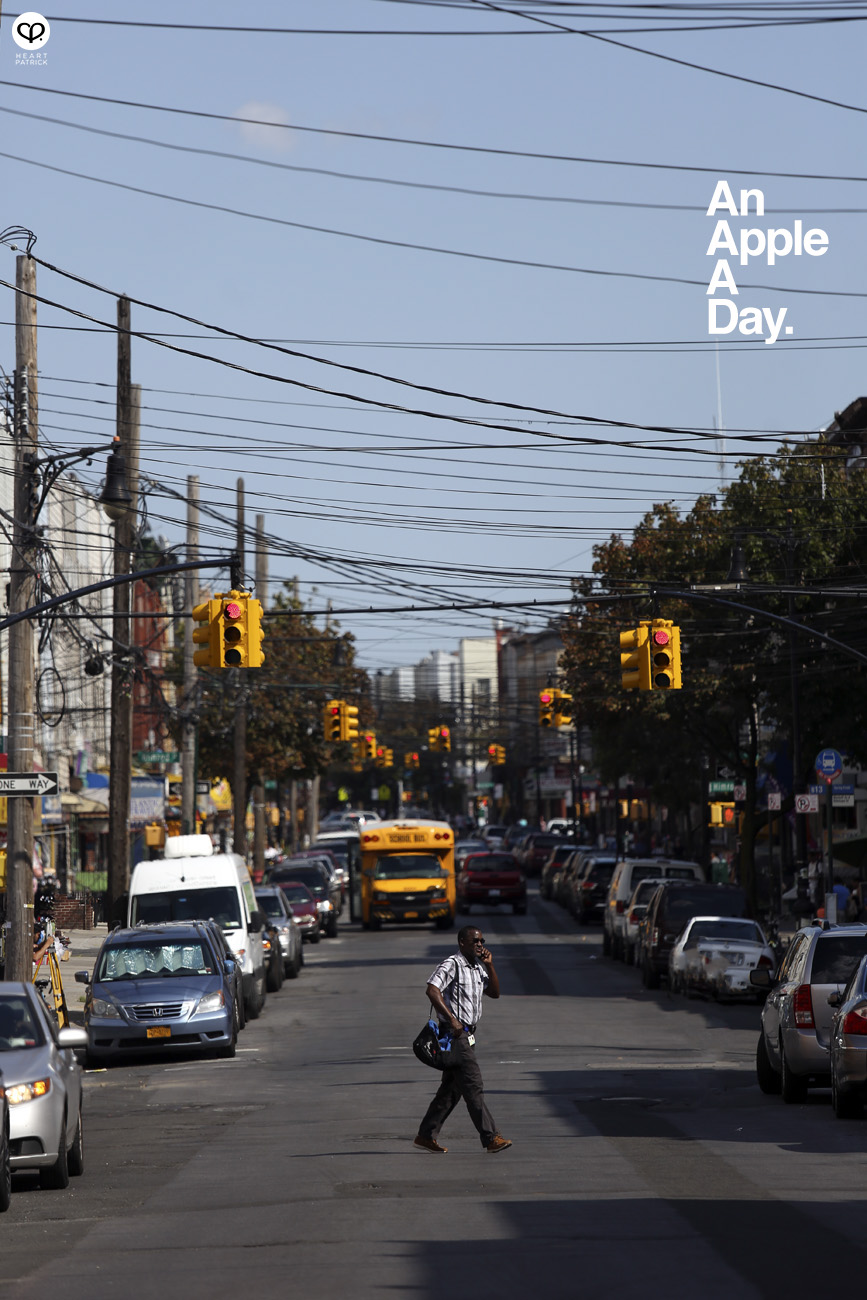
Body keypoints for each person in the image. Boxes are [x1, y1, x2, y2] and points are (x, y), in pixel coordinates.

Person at [414, 926, 511, 1155]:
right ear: (462, 943)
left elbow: (495, 992)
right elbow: (432, 990)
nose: (480, 944)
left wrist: (490, 964)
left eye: (481, 941)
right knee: (473, 1085)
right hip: (455, 1034)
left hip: (469, 1035)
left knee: (451, 1090)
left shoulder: (478, 967)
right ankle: (491, 1137)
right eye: (475, 941)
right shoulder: (452, 964)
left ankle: (426, 1135)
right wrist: (452, 1019)